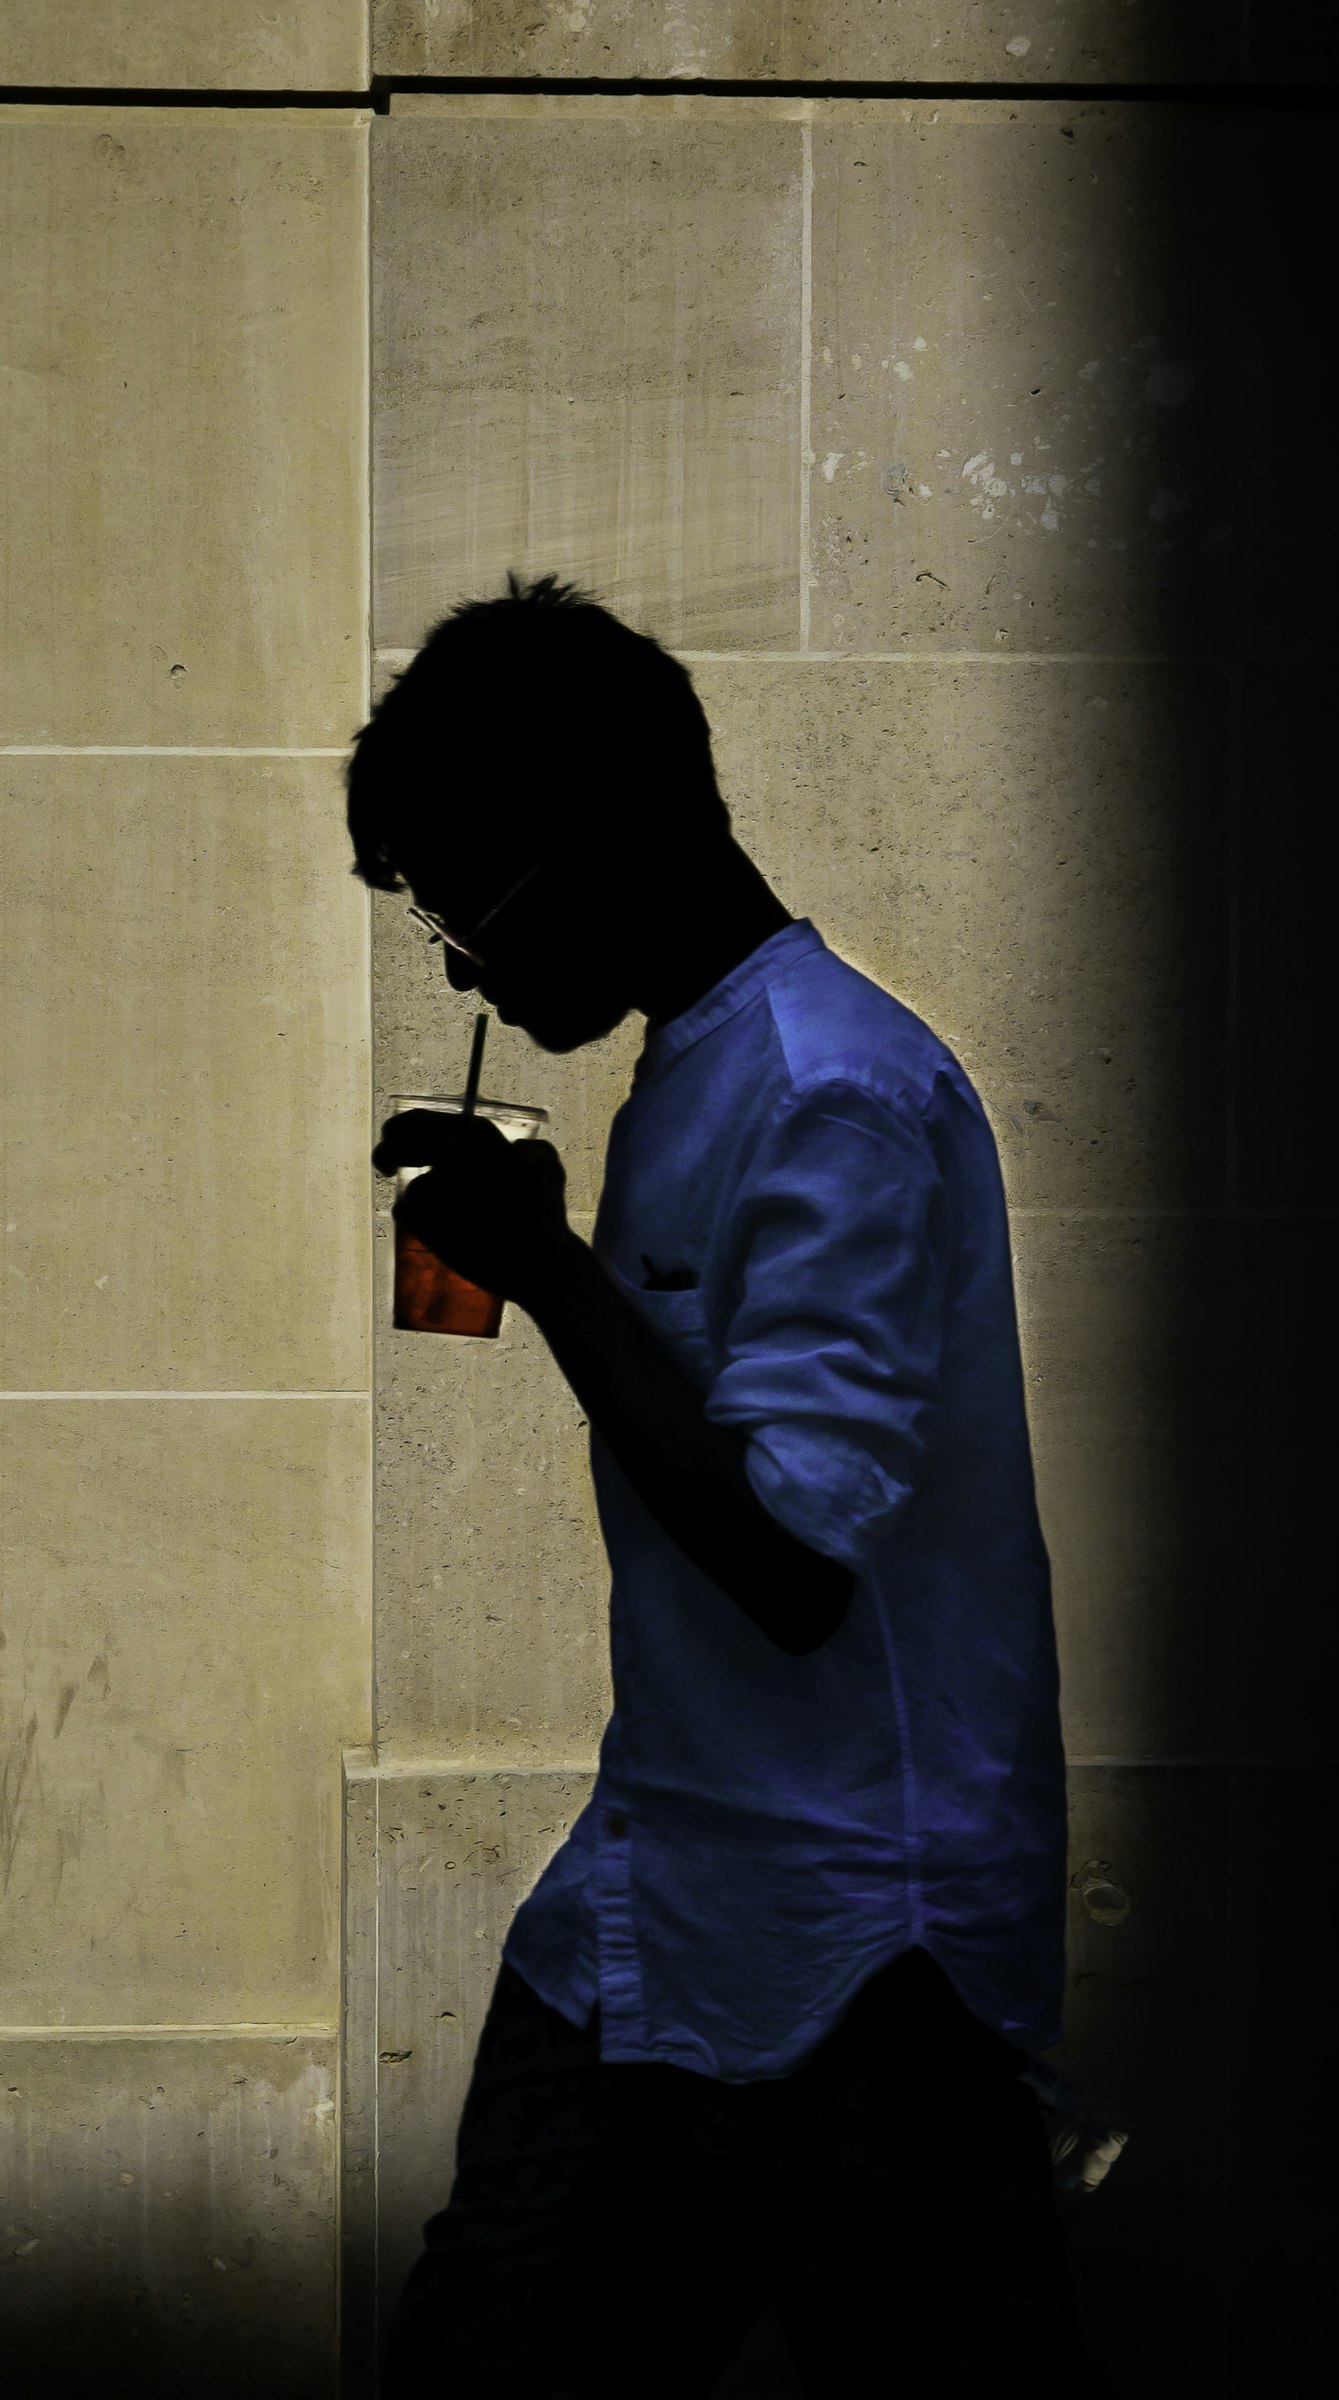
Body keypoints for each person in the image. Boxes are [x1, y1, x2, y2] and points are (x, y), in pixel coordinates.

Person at [348, 572, 1098, 2397]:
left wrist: (551, 1272)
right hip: (659, 1895)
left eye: (477, 901)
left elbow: (790, 1555)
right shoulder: (695, 1070)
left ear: (615, 819)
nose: (466, 962)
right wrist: (556, 1264)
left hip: (864, 1955)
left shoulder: (834, 1091)